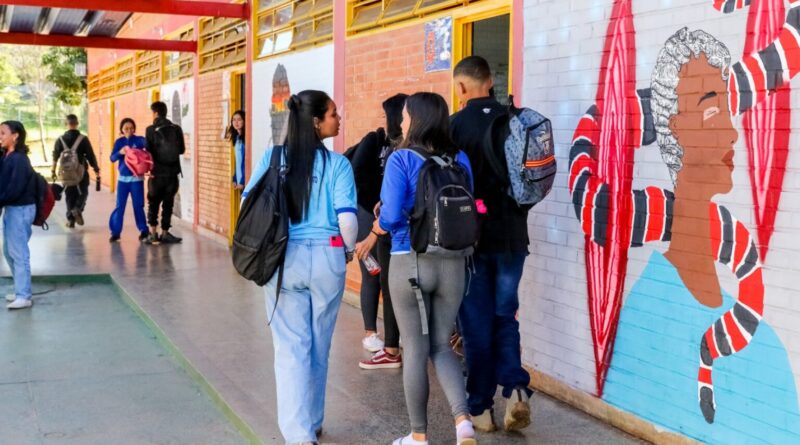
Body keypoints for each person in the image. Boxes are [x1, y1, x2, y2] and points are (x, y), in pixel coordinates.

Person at [242, 90, 357, 445]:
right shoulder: (338, 164)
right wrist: (347, 252)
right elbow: (348, 222)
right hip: (327, 259)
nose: (339, 119)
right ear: (316, 122)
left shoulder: (273, 158)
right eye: (334, 114)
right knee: (320, 343)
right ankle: (314, 419)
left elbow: (249, 203)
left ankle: (299, 435)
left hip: (283, 258)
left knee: (291, 347)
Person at [374, 92, 477, 445]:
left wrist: (382, 215)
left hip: (410, 261)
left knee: (415, 349)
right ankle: (463, 423)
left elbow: (388, 218)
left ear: (415, 119)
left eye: (404, 116)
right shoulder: (460, 158)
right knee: (442, 346)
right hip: (454, 264)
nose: (401, 122)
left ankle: (418, 436)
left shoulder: (401, 158)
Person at [450, 55, 534, 432]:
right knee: (505, 315)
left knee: (476, 325)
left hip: (472, 242)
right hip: (514, 238)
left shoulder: (454, 127)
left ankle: (480, 408)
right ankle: (516, 387)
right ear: (490, 82)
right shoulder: (515, 120)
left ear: (463, 88)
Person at [351, 93, 407, 369]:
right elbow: (357, 175)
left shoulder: (410, 146)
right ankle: (371, 333)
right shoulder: (375, 141)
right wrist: (377, 207)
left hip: (388, 221)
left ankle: (392, 342)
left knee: (390, 279)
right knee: (373, 274)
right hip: (369, 218)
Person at [0, 121, 37, 310]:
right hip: (12, 209)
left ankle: (24, 295)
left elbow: (14, 188)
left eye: (3, 133)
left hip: (21, 209)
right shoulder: (7, 156)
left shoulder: (20, 160)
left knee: (18, 252)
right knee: (9, 251)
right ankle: (20, 289)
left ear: (15, 136)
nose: (0, 136)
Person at [144, 101, 185, 245]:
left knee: (153, 203)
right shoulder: (176, 129)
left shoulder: (150, 130)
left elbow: (147, 151)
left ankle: (153, 234)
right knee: (168, 204)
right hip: (172, 174)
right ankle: (165, 233)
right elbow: (182, 150)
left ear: (155, 113)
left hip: (156, 174)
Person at [52, 114, 99, 229]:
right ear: (77, 124)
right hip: (81, 172)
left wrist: (53, 171)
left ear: (66, 124)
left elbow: (55, 156)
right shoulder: (83, 139)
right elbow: (90, 155)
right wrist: (96, 169)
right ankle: (77, 208)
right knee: (83, 192)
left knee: (69, 195)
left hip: (66, 173)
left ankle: (70, 221)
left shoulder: (60, 140)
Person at [109, 118, 149, 242]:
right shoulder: (119, 142)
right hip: (122, 181)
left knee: (138, 206)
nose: (129, 130)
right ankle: (116, 233)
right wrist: (120, 152)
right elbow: (112, 158)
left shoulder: (139, 140)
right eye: (126, 128)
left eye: (131, 128)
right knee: (120, 206)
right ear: (122, 129)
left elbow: (149, 145)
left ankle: (144, 230)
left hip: (137, 180)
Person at [227, 110, 246, 191]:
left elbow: (245, 161)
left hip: (245, 181)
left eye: (239, 119)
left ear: (244, 121)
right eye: (234, 120)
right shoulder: (236, 138)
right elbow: (237, 161)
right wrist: (234, 178)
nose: (236, 122)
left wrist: (242, 181)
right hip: (239, 182)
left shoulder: (246, 139)